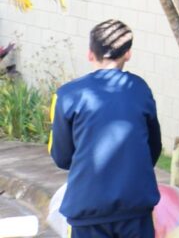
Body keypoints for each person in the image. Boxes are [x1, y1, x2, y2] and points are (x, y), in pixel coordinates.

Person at [48, 20, 161, 238]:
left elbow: (61, 157)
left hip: (87, 208)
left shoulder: (67, 95)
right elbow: (153, 148)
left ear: (90, 54)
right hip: (135, 208)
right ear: (128, 54)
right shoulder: (140, 88)